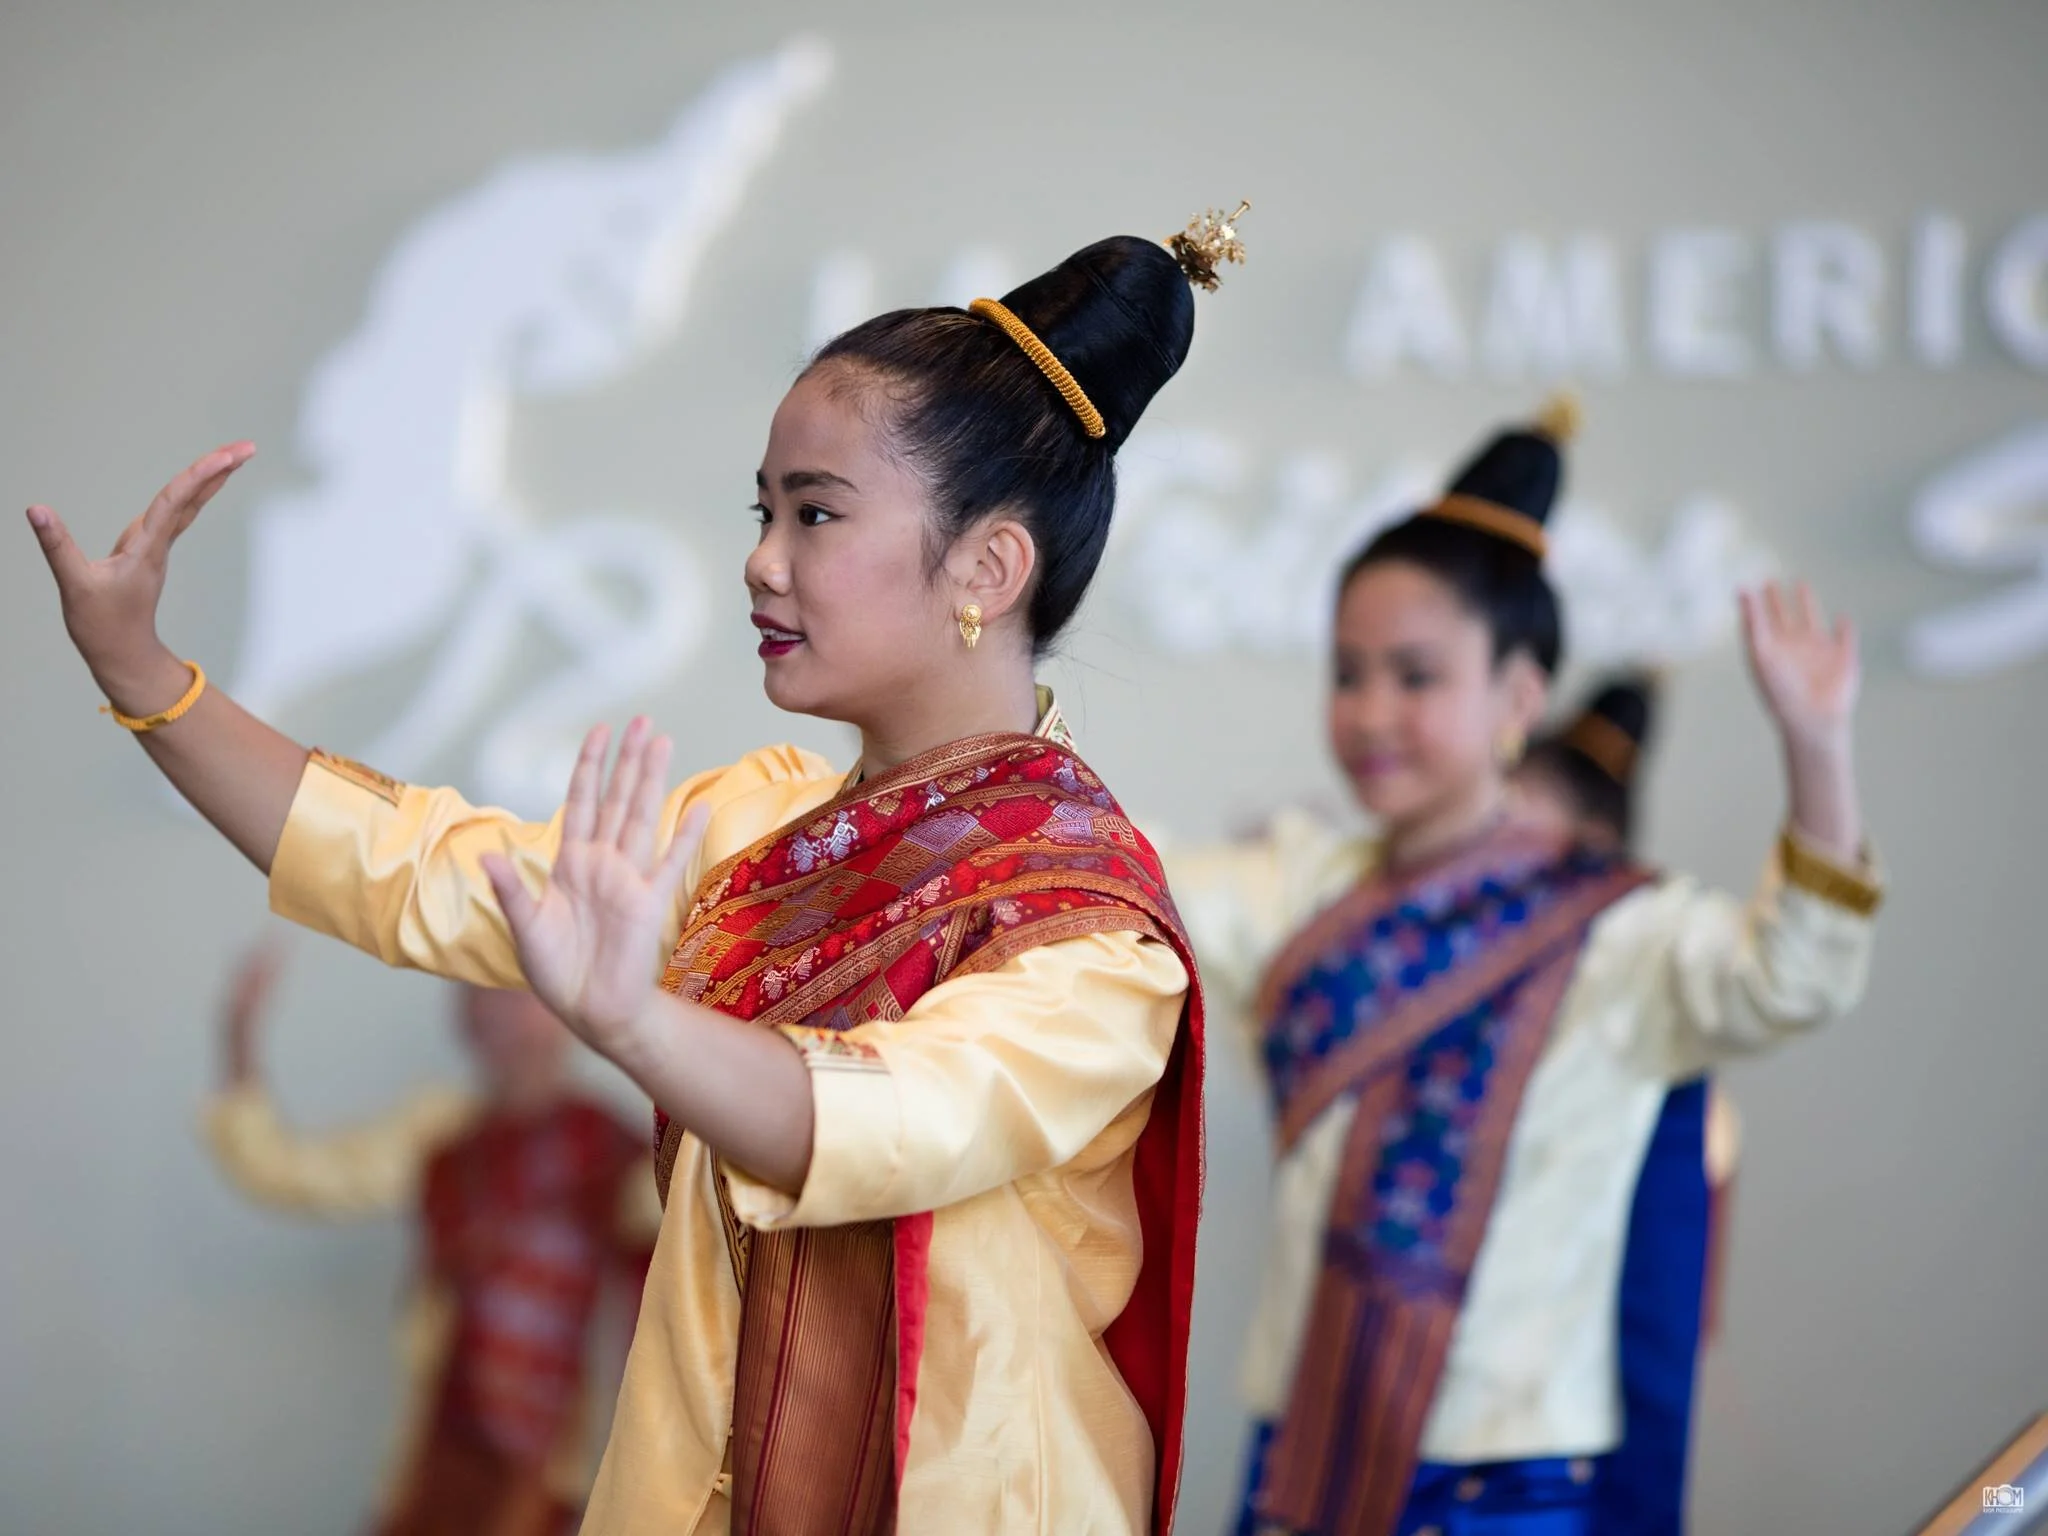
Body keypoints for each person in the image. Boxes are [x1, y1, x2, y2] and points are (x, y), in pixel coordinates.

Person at [27, 211, 1246, 1534]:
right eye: (763, 510)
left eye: (816, 514)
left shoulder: (1085, 935)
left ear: (987, 566)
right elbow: (420, 868)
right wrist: (144, 676)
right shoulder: (754, 833)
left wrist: (631, 1020)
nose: (761, 561)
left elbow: (880, 1124)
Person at [1164, 404, 1883, 1535]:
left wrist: (1814, 746)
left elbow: (1787, 978)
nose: (1368, 714)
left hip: (1509, 1487)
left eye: (1414, 676)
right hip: (1304, 1462)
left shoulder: (1612, 931)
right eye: (1347, 674)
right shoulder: (1301, 885)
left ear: (1517, 695)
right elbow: (1124, 888)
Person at [205, 942, 658, 1536]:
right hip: (445, 1461)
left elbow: (709, 1241)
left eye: (517, 991)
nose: (495, 1008)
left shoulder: (614, 1148)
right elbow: (288, 1174)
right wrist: (239, 1041)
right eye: (478, 989)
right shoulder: (437, 1137)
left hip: (560, 1478)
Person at [1514, 675, 1744, 1533]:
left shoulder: (1644, 1019)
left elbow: (1660, 1295)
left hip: (1567, 1407)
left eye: (1518, 823)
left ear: (1598, 848)